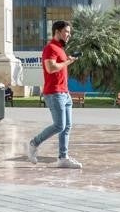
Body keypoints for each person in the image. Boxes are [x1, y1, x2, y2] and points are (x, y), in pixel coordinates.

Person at [26, 21, 82, 168]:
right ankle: (34, 143)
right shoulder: (50, 48)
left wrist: (68, 60)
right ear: (57, 31)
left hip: (65, 92)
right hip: (54, 92)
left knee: (67, 126)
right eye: (66, 32)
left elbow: (59, 66)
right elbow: (50, 68)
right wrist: (68, 62)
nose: (69, 35)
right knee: (59, 125)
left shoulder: (60, 49)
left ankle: (63, 158)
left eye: (69, 32)